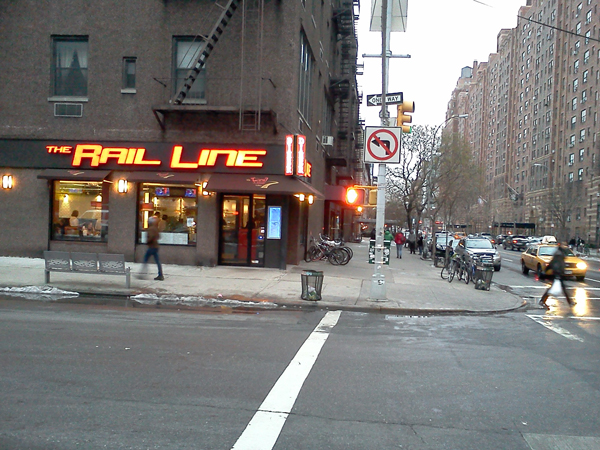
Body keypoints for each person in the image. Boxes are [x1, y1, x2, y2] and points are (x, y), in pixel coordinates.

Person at [539, 243, 573, 308]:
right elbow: (555, 264)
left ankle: (570, 302)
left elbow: (552, 263)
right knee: (560, 288)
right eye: (564, 245)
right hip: (557, 274)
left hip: (557, 273)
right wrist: (558, 272)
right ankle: (542, 300)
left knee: (560, 288)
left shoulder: (559, 253)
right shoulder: (559, 254)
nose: (565, 246)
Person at [140, 212, 164, 281]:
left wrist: (148, 241)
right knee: (157, 261)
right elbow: (159, 236)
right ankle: (160, 274)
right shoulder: (156, 228)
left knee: (145, 260)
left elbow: (150, 237)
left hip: (151, 247)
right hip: (156, 246)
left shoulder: (150, 229)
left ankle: (142, 274)